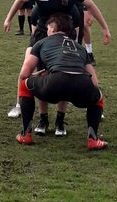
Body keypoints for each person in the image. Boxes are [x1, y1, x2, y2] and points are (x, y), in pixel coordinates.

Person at [4, 0, 111, 133]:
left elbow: (91, 5)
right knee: (32, 71)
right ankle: (41, 118)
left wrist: (105, 28)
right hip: (42, 34)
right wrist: (8, 19)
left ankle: (60, 120)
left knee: (65, 71)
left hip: (68, 33)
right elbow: (20, 0)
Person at [14, 12, 107, 150]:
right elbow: (94, 82)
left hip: (55, 83)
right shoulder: (80, 48)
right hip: (81, 84)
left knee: (24, 84)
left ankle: (26, 134)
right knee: (98, 97)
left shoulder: (41, 43)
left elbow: (24, 74)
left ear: (51, 28)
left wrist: (37, 76)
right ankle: (93, 139)